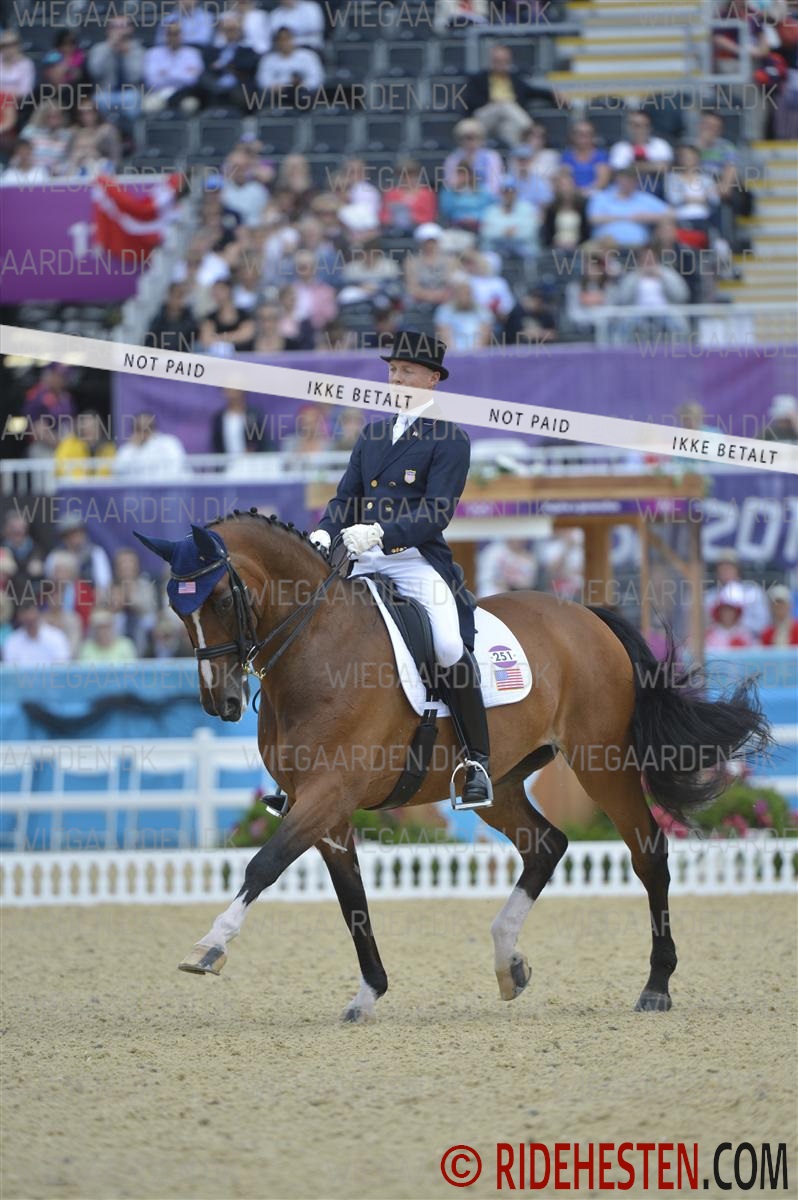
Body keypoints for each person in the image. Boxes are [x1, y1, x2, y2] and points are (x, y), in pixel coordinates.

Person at [309, 331, 492, 807]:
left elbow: (437, 512)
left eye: (407, 371)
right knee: (310, 631)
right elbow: (346, 498)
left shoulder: (450, 438)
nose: (397, 378)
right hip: (360, 556)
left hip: (412, 559)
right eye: (392, 370)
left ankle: (477, 762)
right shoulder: (372, 436)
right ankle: (300, 765)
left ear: (432, 378)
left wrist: (382, 533)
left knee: (448, 645)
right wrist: (326, 530)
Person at [463, 43, 538, 147]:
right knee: (504, 104)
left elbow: (533, 92)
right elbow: (470, 101)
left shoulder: (515, 79)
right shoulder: (478, 79)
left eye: (504, 61)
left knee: (508, 128)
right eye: (497, 61)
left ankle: (519, 152)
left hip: (507, 118)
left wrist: (554, 94)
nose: (501, 64)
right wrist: (492, 101)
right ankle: (530, 127)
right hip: (484, 117)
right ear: (491, 61)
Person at [703, 550, 770, 638]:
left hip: (748, 642)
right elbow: (704, 625)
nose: (725, 571)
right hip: (717, 643)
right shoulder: (710, 596)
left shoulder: (754, 592)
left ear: (738, 570)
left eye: (729, 567)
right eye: (722, 568)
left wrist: (737, 622)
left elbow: (763, 625)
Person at [114, 413, 189, 481]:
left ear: (154, 428)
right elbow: (118, 471)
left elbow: (176, 469)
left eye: (148, 427)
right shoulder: (127, 449)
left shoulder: (169, 442)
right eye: (139, 428)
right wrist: (134, 449)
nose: (143, 432)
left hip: (169, 487)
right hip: (139, 490)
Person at [3, 602, 71, 666]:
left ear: (38, 614)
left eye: (32, 616)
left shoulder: (56, 637)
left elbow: (63, 666)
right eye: (26, 618)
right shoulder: (12, 641)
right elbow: (10, 669)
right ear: (19, 617)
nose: (29, 618)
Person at [54, 411, 116, 479]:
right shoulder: (69, 445)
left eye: (93, 427)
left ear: (100, 429)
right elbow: (61, 468)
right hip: (74, 484)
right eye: (86, 427)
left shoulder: (108, 448)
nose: (90, 431)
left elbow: (110, 473)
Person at [211, 388, 269, 453]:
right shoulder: (219, 417)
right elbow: (216, 443)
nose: (231, 393)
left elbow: (261, 440)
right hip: (226, 458)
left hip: (252, 458)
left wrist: (253, 450)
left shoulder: (252, 414)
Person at [561, 121, 611, 195]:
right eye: (580, 134)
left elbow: (602, 181)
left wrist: (586, 192)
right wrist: (577, 193)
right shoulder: (567, 156)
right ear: (573, 136)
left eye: (588, 134)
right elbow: (565, 178)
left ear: (593, 136)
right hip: (573, 195)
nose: (584, 138)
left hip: (596, 194)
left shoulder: (601, 155)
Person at [704, 585, 753, 649]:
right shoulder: (710, 633)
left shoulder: (744, 633)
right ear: (718, 612)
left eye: (731, 610)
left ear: (736, 613)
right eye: (724, 610)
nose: (727, 614)